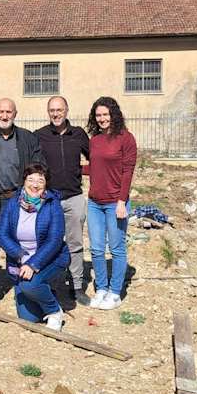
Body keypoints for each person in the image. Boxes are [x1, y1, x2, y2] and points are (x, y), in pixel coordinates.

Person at [0, 98, 41, 309]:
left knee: (22, 248)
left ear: (15, 113)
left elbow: (39, 170)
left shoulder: (27, 139)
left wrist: (35, 199)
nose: (5, 116)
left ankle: (22, 288)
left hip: (20, 203)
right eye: (1, 111)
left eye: (8, 112)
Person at [0, 163, 69, 330]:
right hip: (20, 259)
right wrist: (21, 256)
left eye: (40, 181)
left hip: (51, 257)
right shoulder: (13, 203)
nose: (35, 185)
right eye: (31, 179)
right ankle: (47, 292)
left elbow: (55, 240)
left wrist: (32, 263)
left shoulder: (53, 204)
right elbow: (2, 235)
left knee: (30, 285)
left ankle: (54, 311)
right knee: (29, 318)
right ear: (24, 181)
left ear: (46, 184)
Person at [34, 96, 91, 306]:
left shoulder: (78, 135)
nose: (55, 114)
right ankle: (54, 285)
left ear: (67, 110)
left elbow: (96, 157)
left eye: (59, 110)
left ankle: (76, 286)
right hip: (50, 200)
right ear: (48, 112)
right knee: (52, 244)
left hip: (74, 197)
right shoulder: (39, 136)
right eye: (52, 110)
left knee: (75, 244)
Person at [84, 96, 137, 310]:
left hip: (116, 203)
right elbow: (95, 167)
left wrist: (122, 201)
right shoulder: (94, 140)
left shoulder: (126, 138)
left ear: (114, 114)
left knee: (116, 248)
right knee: (96, 249)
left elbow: (127, 171)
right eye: (98, 115)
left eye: (105, 114)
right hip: (95, 202)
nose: (102, 118)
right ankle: (102, 288)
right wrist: (70, 168)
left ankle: (115, 292)